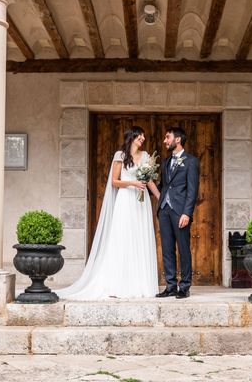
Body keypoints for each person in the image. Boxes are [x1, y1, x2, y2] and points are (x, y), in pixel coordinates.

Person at [57, 126, 160, 300]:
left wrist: (159, 196)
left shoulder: (145, 156)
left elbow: (148, 179)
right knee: (123, 239)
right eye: (139, 135)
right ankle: (117, 284)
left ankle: (141, 283)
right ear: (132, 137)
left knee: (139, 238)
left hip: (141, 203)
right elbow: (114, 182)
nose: (142, 138)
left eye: (143, 135)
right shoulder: (120, 156)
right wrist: (133, 184)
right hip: (126, 200)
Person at [156, 127, 200, 299]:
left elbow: (192, 190)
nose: (165, 141)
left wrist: (186, 213)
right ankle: (171, 285)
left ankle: (185, 286)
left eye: (168, 137)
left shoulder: (191, 161)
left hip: (180, 211)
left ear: (178, 140)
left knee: (183, 248)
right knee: (167, 249)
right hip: (164, 210)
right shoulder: (166, 162)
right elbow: (163, 187)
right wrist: (145, 180)